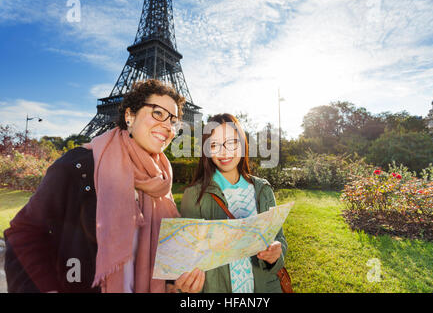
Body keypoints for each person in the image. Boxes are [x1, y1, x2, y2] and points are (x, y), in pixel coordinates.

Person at [3, 79, 205, 293]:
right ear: (130, 116)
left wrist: (175, 286)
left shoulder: (161, 182)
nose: (167, 126)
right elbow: (24, 233)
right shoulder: (80, 166)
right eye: (157, 113)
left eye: (173, 120)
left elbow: (154, 264)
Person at [180, 113, 287, 293]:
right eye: (214, 145)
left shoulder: (263, 189)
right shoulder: (193, 195)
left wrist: (276, 253)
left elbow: (279, 239)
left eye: (231, 142)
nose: (224, 152)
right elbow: (186, 256)